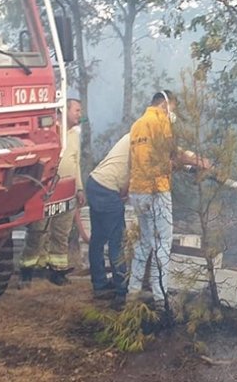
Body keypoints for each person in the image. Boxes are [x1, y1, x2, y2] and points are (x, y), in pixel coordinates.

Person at [127, 90, 210, 310]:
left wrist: (183, 164)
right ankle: (161, 298)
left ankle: (132, 293)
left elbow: (145, 159)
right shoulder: (160, 120)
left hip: (137, 190)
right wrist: (199, 163)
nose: (173, 113)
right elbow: (173, 153)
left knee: (145, 242)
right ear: (165, 104)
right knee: (163, 244)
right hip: (157, 190)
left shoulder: (137, 125)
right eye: (173, 108)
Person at [19, 98, 85, 286]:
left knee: (61, 232)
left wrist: (79, 188)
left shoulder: (74, 135)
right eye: (77, 110)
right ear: (64, 112)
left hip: (68, 191)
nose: (80, 114)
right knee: (37, 231)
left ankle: (57, 272)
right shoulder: (48, 133)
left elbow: (76, 163)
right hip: (45, 190)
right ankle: (27, 271)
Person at [86, 133, 130, 304]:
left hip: (94, 182)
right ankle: (121, 291)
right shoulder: (144, 138)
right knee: (117, 240)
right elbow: (133, 174)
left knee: (98, 238)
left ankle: (99, 285)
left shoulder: (130, 135)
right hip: (108, 188)